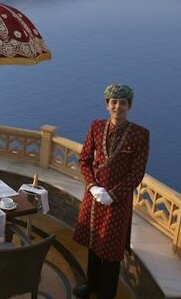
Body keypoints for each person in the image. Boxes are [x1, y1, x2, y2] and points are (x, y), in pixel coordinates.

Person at [72, 84, 150, 299]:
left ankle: (107, 292)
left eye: (122, 102)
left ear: (129, 105)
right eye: (113, 102)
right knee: (93, 241)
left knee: (112, 248)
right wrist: (93, 186)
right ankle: (92, 285)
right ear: (107, 105)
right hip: (94, 196)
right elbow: (85, 159)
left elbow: (137, 173)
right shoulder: (96, 127)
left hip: (119, 200)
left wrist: (112, 195)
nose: (118, 107)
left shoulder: (140, 135)